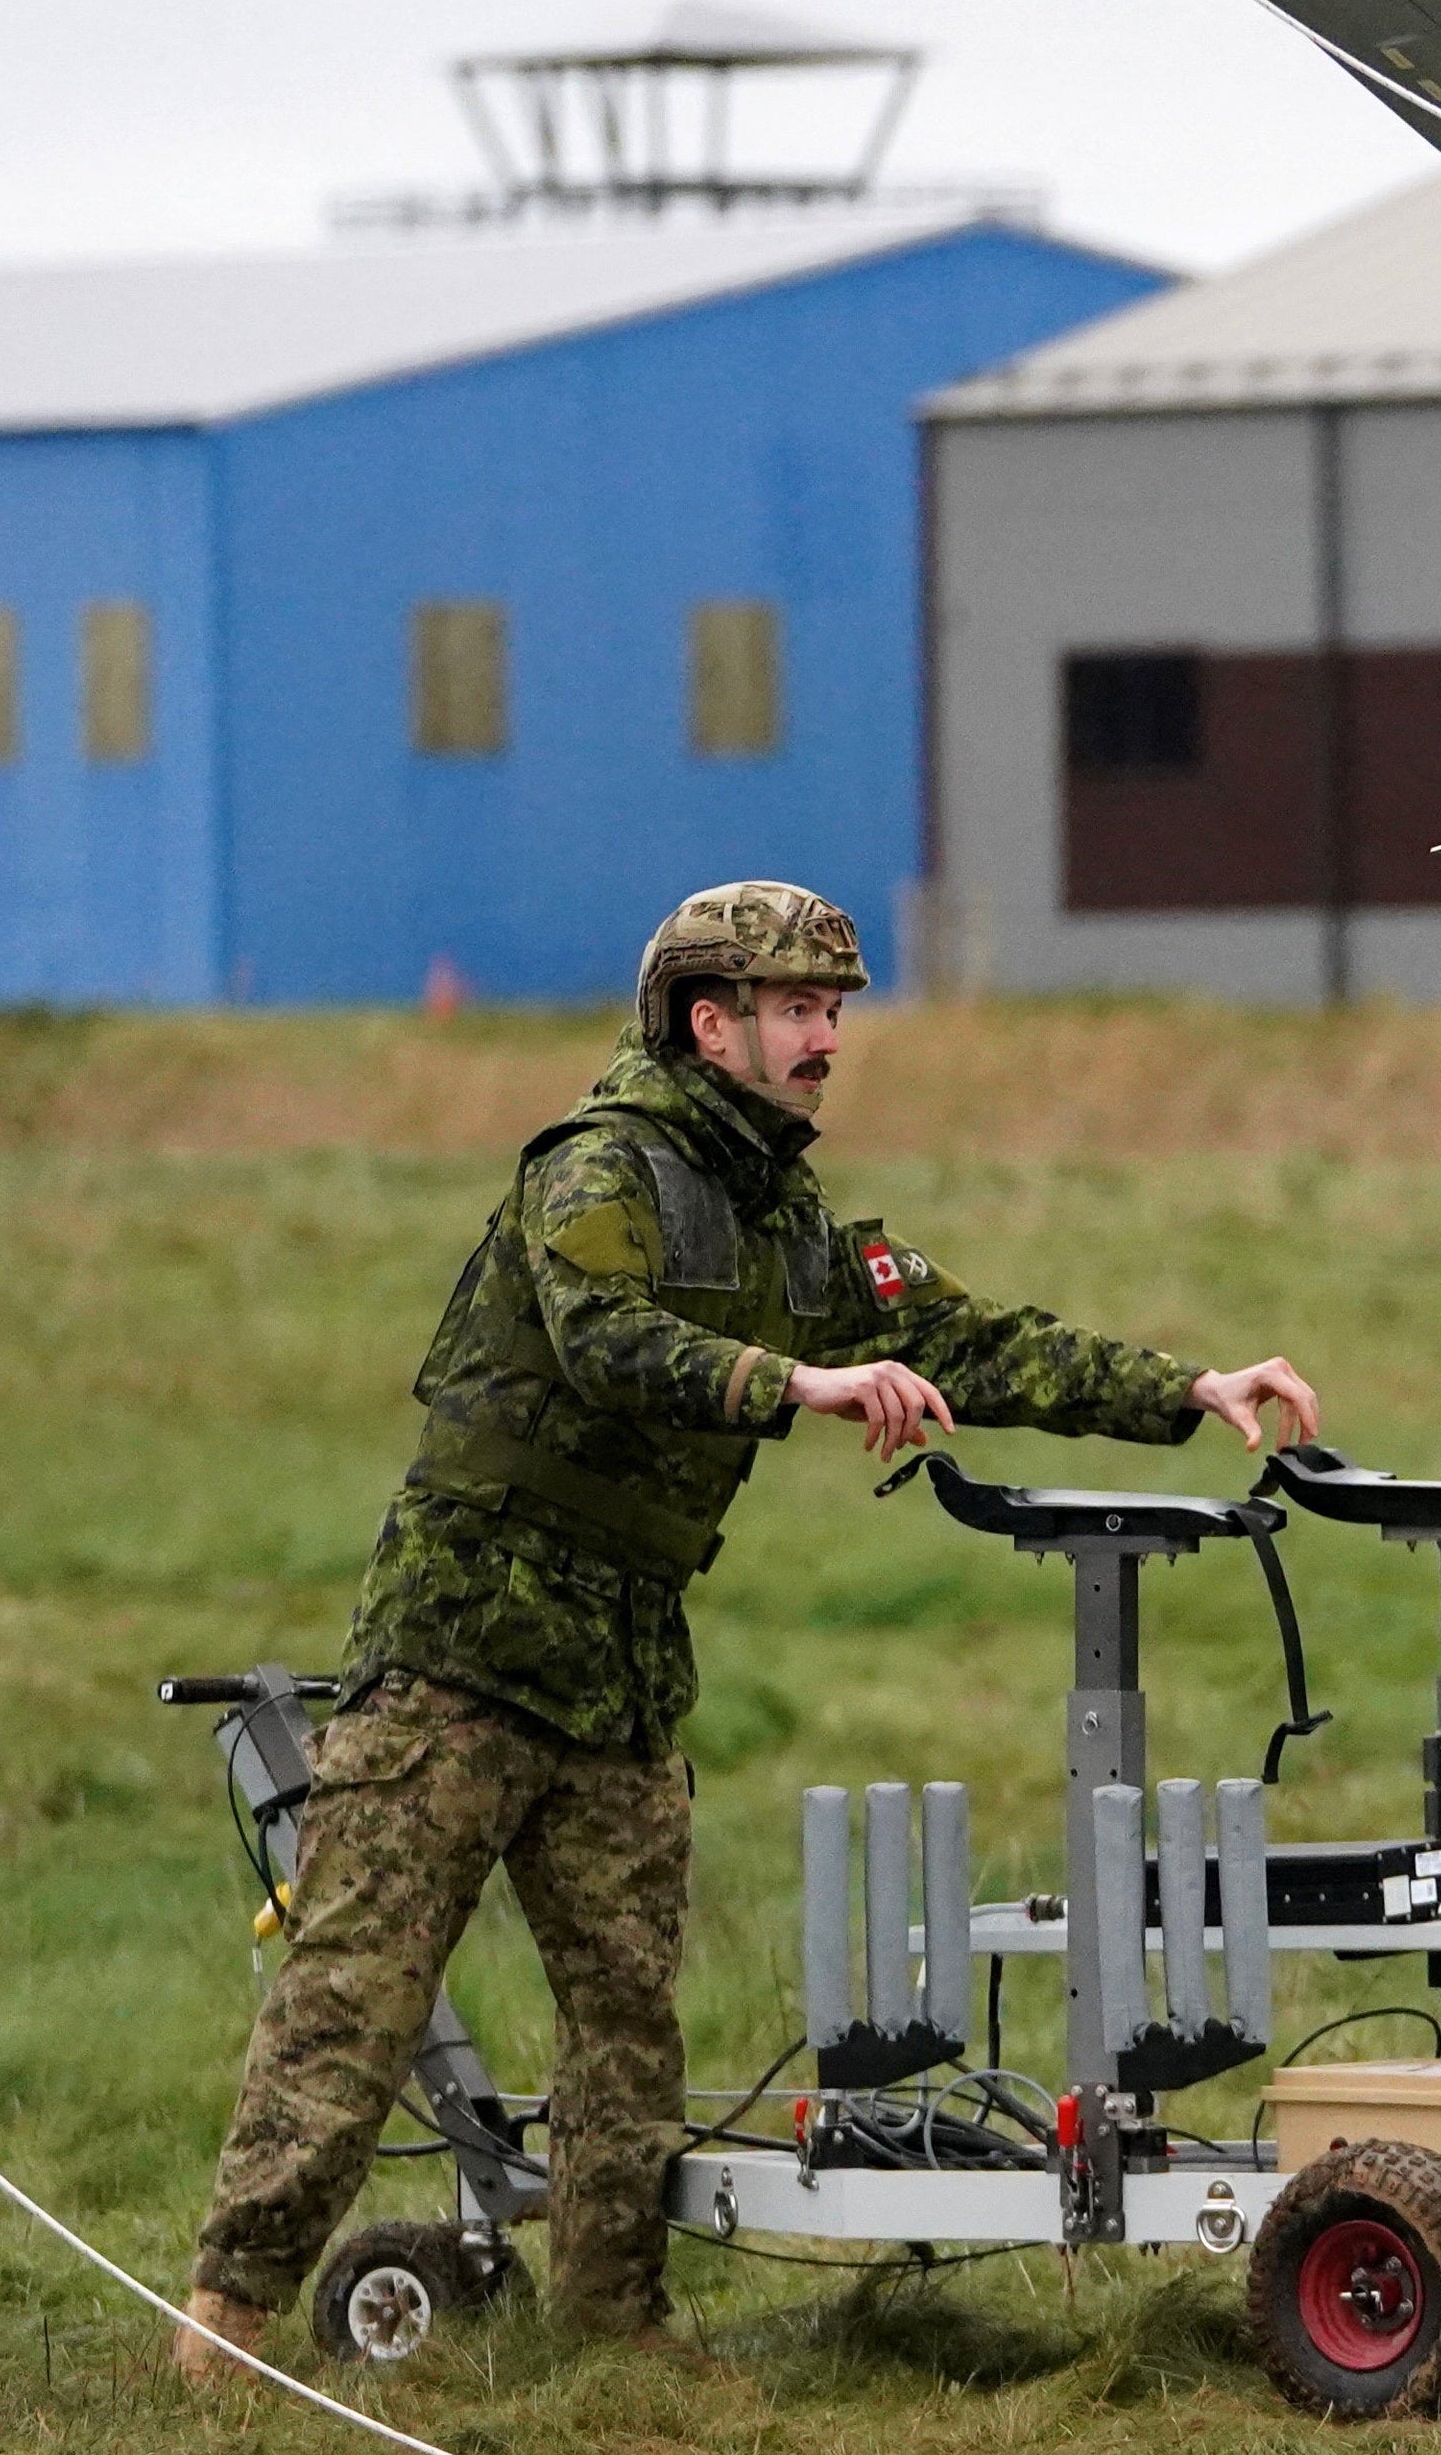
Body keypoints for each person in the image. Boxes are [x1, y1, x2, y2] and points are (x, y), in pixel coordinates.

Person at [174, 881, 1322, 2374]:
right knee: (354, 2005)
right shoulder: (600, 1168)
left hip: (622, 1667)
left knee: (628, 2032)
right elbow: (609, 1340)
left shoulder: (783, 1220)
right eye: (797, 1010)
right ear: (709, 1024)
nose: (826, 1039)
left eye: (836, 1010)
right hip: (463, 1651)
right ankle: (221, 2340)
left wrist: (1186, 1389)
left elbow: (961, 1335)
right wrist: (799, 1384)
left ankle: (613, 2341)